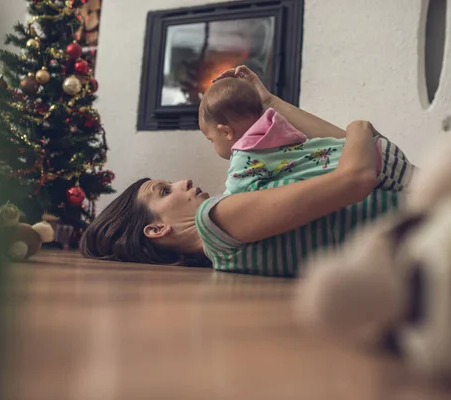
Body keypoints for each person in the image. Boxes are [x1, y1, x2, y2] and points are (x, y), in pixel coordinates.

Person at [81, 66, 404, 276]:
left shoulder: (237, 230)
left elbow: (331, 155)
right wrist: (360, 127)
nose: (185, 181)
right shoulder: (215, 219)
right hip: (420, 220)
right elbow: (356, 176)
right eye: (165, 191)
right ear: (156, 230)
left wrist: (267, 103)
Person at [199, 77, 415, 195]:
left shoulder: (245, 156)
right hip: (379, 148)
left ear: (225, 132)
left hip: (370, 166)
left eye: (211, 140)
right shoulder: (280, 127)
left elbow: (233, 197)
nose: (213, 145)